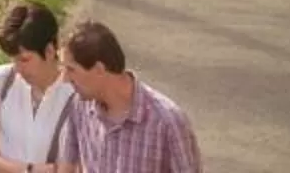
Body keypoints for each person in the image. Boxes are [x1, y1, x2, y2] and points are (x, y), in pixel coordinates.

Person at [61, 22, 199, 173]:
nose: (64, 78)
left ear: (99, 69)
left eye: (71, 69)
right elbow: (67, 166)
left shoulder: (167, 122)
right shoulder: (79, 107)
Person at [0, 1, 79, 173]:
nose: (17, 68)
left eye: (24, 59)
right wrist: (27, 170)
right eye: (13, 59)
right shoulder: (3, 80)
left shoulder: (76, 95)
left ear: (50, 51)